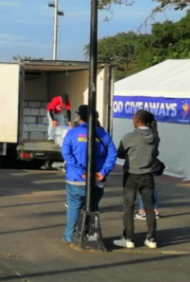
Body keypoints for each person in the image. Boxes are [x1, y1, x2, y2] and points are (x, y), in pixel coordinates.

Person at [61, 104, 117, 243]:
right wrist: (102, 173)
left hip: (76, 179)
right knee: (93, 207)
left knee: (74, 207)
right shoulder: (103, 134)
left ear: (80, 117)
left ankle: (69, 236)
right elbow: (112, 154)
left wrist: (82, 171)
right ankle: (90, 235)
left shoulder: (72, 133)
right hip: (97, 180)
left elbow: (66, 154)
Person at [113, 110, 161, 249]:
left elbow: (120, 153)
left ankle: (128, 238)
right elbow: (155, 153)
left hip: (131, 175)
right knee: (149, 208)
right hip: (148, 175)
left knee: (128, 207)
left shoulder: (129, 136)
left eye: (134, 118)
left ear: (138, 120)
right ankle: (151, 238)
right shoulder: (155, 137)